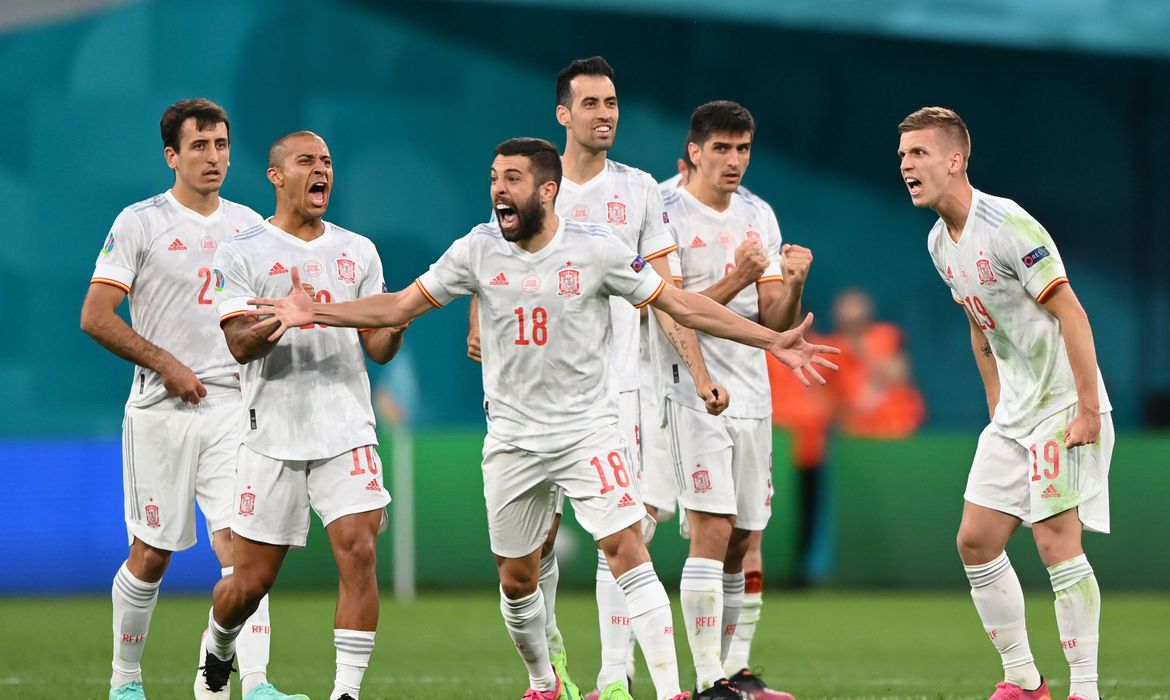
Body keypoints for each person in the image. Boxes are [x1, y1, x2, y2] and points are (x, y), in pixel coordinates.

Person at [246, 137, 838, 700]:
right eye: (493, 179)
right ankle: (543, 678)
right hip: (512, 440)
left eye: (512, 179)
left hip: (588, 432)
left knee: (626, 548)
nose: (498, 190)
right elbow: (398, 305)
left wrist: (771, 340)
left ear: (548, 190)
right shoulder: (477, 248)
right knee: (516, 578)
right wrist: (314, 312)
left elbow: (680, 304)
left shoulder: (598, 249)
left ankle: (669, 690)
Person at [80, 98, 297, 700]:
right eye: (199, 145)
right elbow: (96, 315)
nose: (213, 156)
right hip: (161, 411)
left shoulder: (250, 228)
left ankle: (254, 683)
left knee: (243, 553)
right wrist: (166, 363)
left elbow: (267, 315)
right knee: (151, 556)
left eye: (221, 144)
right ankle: (125, 681)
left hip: (233, 409)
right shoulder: (140, 223)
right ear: (171, 156)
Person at [898, 106, 1113, 700]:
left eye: (918, 153)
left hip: (1062, 404)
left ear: (954, 160)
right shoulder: (940, 243)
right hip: (1016, 415)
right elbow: (980, 325)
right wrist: (996, 404)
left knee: (1054, 542)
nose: (906, 165)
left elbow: (1071, 313)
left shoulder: (1008, 225)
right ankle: (1023, 680)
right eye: (902, 156)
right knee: (975, 541)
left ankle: (1085, 690)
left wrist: (1087, 410)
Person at [194, 131, 406, 700]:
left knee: (359, 550)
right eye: (307, 161)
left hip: (347, 428)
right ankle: (219, 644)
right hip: (272, 434)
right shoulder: (241, 251)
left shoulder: (358, 251)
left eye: (328, 162)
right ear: (276, 175)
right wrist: (284, 317)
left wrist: (394, 325)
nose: (322, 170)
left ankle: (346, 692)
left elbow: (378, 349)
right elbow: (239, 345)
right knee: (249, 584)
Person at [659, 101, 810, 700]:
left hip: (752, 390)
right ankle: (706, 679)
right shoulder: (664, 211)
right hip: (690, 388)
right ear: (694, 151)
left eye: (743, 148)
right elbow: (670, 308)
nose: (734, 160)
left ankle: (733, 670)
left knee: (746, 536)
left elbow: (775, 320)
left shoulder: (758, 213)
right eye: (722, 148)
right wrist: (740, 277)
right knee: (712, 528)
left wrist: (792, 284)